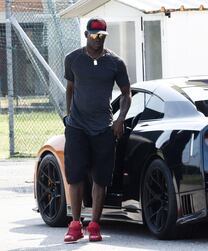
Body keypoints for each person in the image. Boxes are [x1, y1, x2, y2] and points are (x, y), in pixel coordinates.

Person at [63, 17, 131, 243]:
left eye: (101, 35)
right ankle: (75, 224)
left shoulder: (116, 62)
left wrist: (120, 119)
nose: (98, 39)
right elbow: (70, 88)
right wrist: (69, 115)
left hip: (103, 127)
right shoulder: (72, 59)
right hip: (77, 127)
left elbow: (126, 93)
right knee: (75, 176)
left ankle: (94, 224)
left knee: (100, 178)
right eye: (94, 35)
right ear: (86, 35)